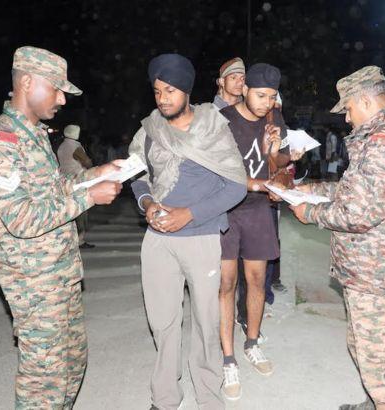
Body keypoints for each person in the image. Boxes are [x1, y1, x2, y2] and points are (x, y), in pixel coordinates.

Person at [0, 46, 123, 409]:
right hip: (34, 284)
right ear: (27, 82)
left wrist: (94, 175)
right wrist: (90, 197)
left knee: (72, 364)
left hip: (61, 274)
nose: (62, 99)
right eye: (56, 88)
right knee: (44, 382)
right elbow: (21, 218)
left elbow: (54, 190)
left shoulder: (35, 135)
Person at [289, 66, 385, 410]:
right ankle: (375, 403)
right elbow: (356, 191)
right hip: (368, 269)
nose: (347, 118)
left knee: (381, 364)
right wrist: (313, 190)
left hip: (379, 272)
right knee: (364, 347)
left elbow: (359, 213)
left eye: (348, 109)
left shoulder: (384, 143)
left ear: (365, 101)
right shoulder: (379, 137)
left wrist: (311, 214)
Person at [129, 53, 247, 410]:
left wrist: (189, 215)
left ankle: (209, 398)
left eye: (170, 91)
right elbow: (138, 176)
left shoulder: (213, 128)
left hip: (201, 238)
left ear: (186, 91)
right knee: (163, 324)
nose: (162, 98)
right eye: (157, 91)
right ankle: (165, 397)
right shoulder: (149, 130)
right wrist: (147, 203)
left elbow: (236, 186)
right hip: (158, 242)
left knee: (206, 325)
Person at [218, 63, 302, 401]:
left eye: (272, 97)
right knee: (226, 285)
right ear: (244, 89)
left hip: (257, 210)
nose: (267, 103)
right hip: (224, 209)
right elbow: (216, 172)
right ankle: (228, 359)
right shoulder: (222, 120)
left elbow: (278, 165)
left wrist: (275, 151)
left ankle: (252, 342)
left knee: (256, 281)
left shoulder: (273, 118)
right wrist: (259, 183)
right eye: (261, 95)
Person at [57, 124, 96, 249]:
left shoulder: (61, 146)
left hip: (64, 182)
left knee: (68, 211)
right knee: (81, 212)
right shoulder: (75, 146)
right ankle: (80, 240)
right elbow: (86, 162)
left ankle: (69, 240)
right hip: (77, 181)